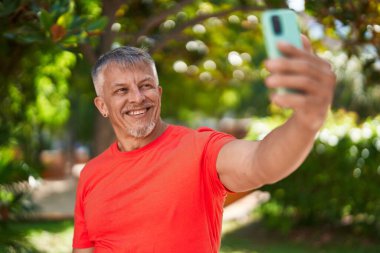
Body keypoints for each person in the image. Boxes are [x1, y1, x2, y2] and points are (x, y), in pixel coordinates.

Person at [72, 35, 336, 253]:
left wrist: (306, 121)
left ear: (159, 93)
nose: (138, 98)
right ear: (102, 105)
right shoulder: (91, 174)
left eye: (146, 85)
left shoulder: (200, 149)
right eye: (122, 90)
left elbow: (261, 162)